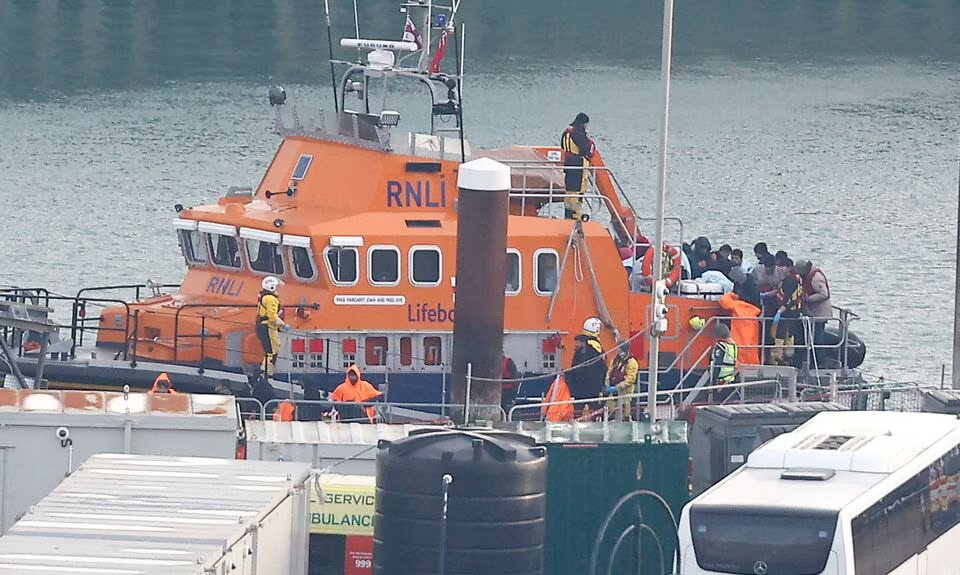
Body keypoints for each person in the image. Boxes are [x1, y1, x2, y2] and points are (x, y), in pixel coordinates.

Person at [796, 260, 832, 367]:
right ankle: (811, 361)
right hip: (811, 313)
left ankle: (820, 364)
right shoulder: (806, 277)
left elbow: (824, 294)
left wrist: (808, 299)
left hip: (820, 314)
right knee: (810, 338)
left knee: (817, 340)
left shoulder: (816, 278)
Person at [559, 112, 596, 220]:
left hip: (568, 164)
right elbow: (586, 149)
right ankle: (577, 214)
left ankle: (568, 212)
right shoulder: (578, 133)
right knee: (578, 191)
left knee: (569, 191)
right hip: (578, 164)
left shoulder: (566, 132)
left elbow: (562, 145)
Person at [566, 318, 606, 415]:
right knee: (594, 412)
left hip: (578, 387)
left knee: (578, 411)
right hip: (591, 388)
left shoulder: (583, 344)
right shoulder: (594, 347)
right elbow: (600, 367)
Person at [773, 258, 805, 367]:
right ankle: (788, 359)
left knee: (780, 337)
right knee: (789, 337)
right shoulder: (797, 278)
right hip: (794, 313)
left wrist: (780, 311)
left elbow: (788, 299)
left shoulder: (789, 280)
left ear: (788, 267)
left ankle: (778, 360)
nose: (780, 269)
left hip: (786, 313)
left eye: (782, 267)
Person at [719, 291, 761, 366]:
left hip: (738, 337)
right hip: (750, 341)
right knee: (751, 351)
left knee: (738, 352)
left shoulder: (738, 305)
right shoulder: (753, 311)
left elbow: (723, 301)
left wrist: (731, 294)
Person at [256, 276, 286, 378]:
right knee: (272, 351)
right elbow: (272, 316)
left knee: (270, 350)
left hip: (263, 327)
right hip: (268, 327)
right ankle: (267, 373)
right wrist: (283, 325)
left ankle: (264, 371)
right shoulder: (270, 299)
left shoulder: (264, 297)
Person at [603, 341, 639, 421]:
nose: (617, 349)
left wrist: (618, 387)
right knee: (610, 411)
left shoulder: (632, 362)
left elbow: (630, 379)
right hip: (613, 392)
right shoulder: (615, 360)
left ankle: (626, 420)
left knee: (625, 412)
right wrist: (607, 384)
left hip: (625, 393)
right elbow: (609, 372)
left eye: (618, 347)